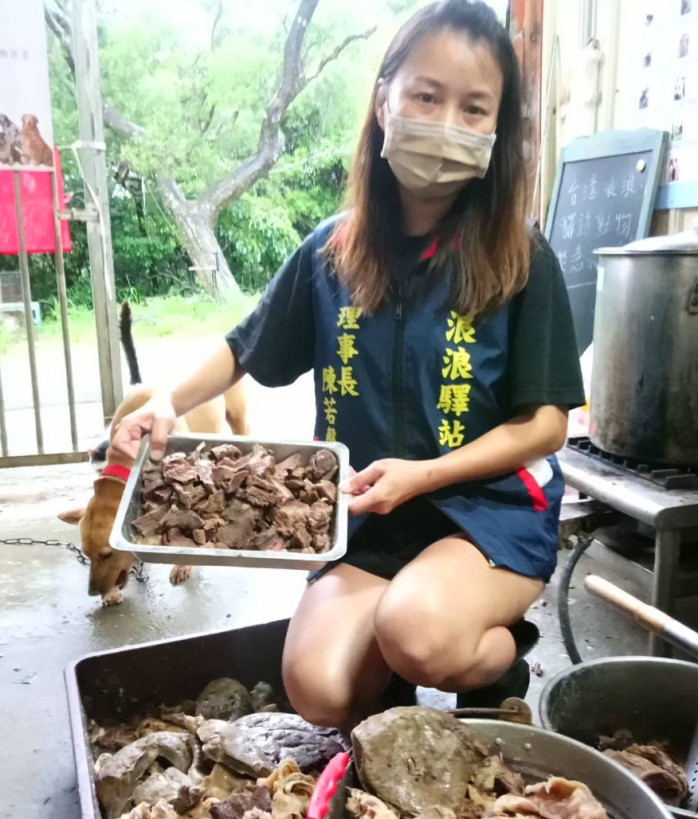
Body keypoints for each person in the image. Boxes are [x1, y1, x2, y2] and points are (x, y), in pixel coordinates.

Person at [113, 0, 584, 729]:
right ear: (384, 99)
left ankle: (497, 657)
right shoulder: (333, 251)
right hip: (365, 515)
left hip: (488, 514)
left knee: (418, 631)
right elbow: (244, 346)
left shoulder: (521, 256)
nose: (448, 123)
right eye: (427, 96)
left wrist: (425, 476)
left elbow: (547, 424)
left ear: (498, 127)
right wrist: (166, 401)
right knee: (318, 691)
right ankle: (396, 678)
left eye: (474, 108)